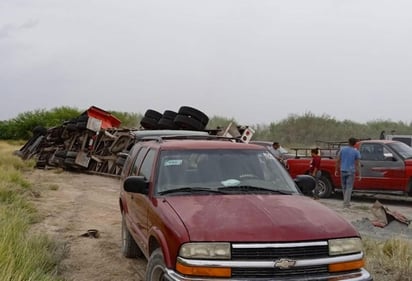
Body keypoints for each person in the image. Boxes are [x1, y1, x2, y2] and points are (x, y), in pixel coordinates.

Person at [335, 137, 361, 208]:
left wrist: (336, 170)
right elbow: (357, 163)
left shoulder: (342, 150)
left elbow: (338, 160)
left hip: (343, 170)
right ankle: (346, 203)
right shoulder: (356, 151)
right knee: (349, 188)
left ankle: (345, 202)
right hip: (351, 171)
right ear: (355, 143)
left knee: (344, 187)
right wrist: (359, 174)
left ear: (348, 142)